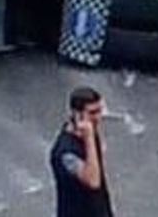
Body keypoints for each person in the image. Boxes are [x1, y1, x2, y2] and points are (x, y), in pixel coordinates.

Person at [50, 86, 114, 217]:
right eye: (92, 113)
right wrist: (89, 138)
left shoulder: (90, 132)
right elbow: (93, 181)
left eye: (99, 111)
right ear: (77, 114)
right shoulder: (65, 152)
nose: (97, 118)